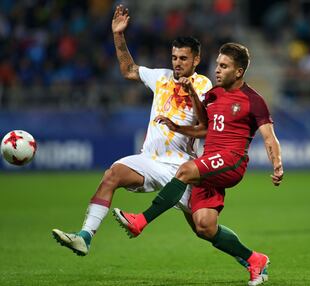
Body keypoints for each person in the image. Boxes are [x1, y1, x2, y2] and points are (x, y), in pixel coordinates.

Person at [113, 43, 284, 286]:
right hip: (209, 163)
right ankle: (255, 260)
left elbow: (269, 137)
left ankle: (140, 221)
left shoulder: (253, 100)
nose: (217, 70)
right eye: (217, 64)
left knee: (185, 170)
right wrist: (178, 124)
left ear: (238, 72)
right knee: (204, 226)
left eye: (224, 66)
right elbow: (204, 127)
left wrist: (276, 163)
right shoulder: (213, 95)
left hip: (231, 160)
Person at [52, 5, 212, 256]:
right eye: (174, 58)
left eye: (183, 58)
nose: (177, 63)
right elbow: (129, 70)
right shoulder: (161, 77)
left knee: (204, 229)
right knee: (111, 175)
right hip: (149, 160)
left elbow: (205, 124)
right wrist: (118, 35)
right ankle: (85, 236)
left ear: (196, 60)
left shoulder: (204, 84)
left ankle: (250, 258)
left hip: (182, 169)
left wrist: (190, 91)